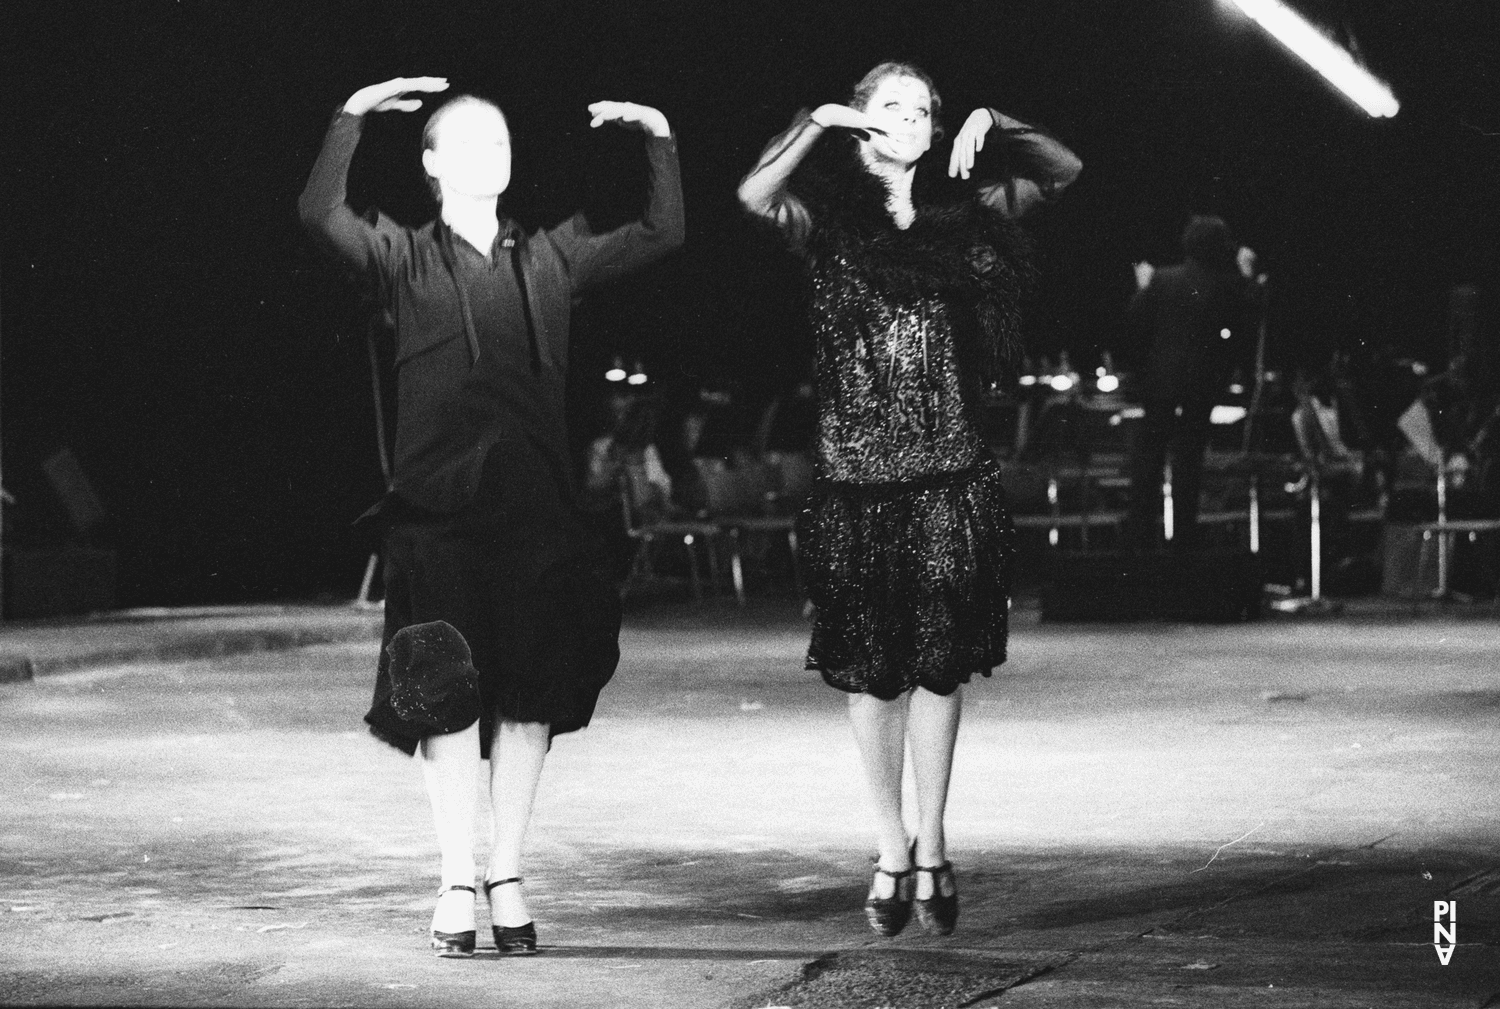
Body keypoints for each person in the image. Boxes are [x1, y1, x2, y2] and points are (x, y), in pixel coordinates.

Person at [299, 76, 683, 956]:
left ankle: (506, 869)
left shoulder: (550, 256)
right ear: (432, 165)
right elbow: (320, 211)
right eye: (468, 139)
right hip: (435, 518)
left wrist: (657, 137)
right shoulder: (402, 257)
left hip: (537, 514)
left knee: (529, 697)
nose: (492, 151)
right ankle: (455, 880)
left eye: (502, 139)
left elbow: (666, 232)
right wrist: (353, 113)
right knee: (445, 697)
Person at [738, 60, 1080, 937]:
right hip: (855, 482)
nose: (909, 119)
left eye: (922, 110)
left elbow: (1064, 171)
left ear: (936, 131)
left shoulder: (966, 218)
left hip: (947, 475)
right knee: (870, 672)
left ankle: (933, 837)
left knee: (937, 664)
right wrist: (817, 122)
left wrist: (993, 117)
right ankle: (890, 843)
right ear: (862, 121)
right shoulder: (824, 221)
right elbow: (753, 192)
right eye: (889, 107)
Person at [1124, 216, 1262, 551]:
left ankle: (1140, 537)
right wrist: (1248, 275)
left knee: (1149, 460)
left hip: (1161, 381)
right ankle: (1183, 538)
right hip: (1201, 384)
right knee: (1189, 461)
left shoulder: (1162, 278)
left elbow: (1135, 323)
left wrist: (1143, 287)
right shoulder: (1226, 282)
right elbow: (1249, 317)